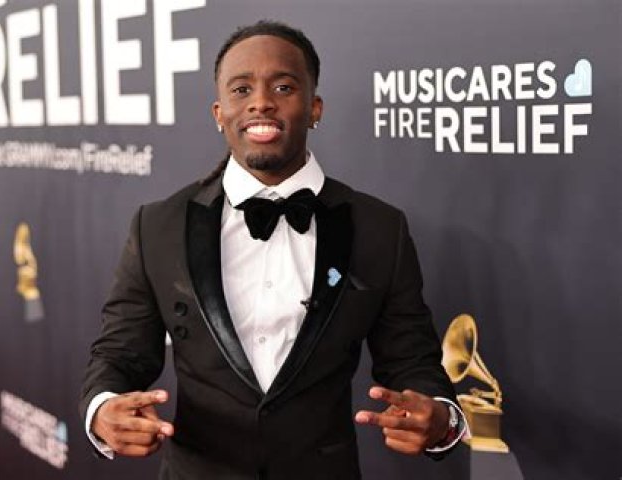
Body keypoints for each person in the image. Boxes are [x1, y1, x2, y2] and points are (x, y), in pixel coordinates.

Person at [81, 20, 466, 479]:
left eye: (283, 87)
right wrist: (102, 411)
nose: (261, 102)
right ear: (219, 112)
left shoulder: (379, 228)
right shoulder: (158, 227)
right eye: (241, 89)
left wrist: (441, 419)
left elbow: (412, 359)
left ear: (314, 107)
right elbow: (120, 354)